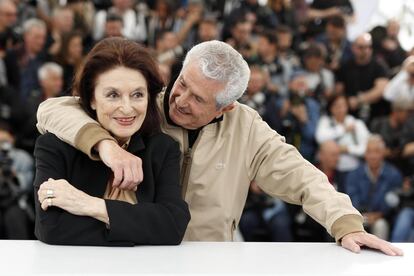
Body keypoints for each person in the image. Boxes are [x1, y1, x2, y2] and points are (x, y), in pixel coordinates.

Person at [37, 40, 402, 255]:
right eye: (181, 83)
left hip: (208, 257)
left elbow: (303, 177)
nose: (179, 100)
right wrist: (104, 144)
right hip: (138, 253)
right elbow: (56, 108)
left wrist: (345, 223)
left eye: (198, 99)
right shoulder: (144, 105)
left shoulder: (247, 129)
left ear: (226, 106)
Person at [33, 37, 190, 246]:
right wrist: (138, 227)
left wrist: (89, 205)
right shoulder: (54, 145)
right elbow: (51, 228)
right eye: (113, 95)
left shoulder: (163, 148)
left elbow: (173, 226)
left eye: (137, 95)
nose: (127, 108)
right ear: (91, 99)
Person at [345, 135, 403, 240]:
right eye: (369, 152)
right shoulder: (354, 174)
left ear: (383, 153)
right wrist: (362, 215)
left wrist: (379, 215)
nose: (372, 156)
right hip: (357, 217)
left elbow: (394, 202)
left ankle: (381, 255)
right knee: (348, 225)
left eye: (376, 151)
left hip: (381, 218)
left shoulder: (394, 175)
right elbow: (351, 198)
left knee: (381, 225)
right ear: (365, 154)